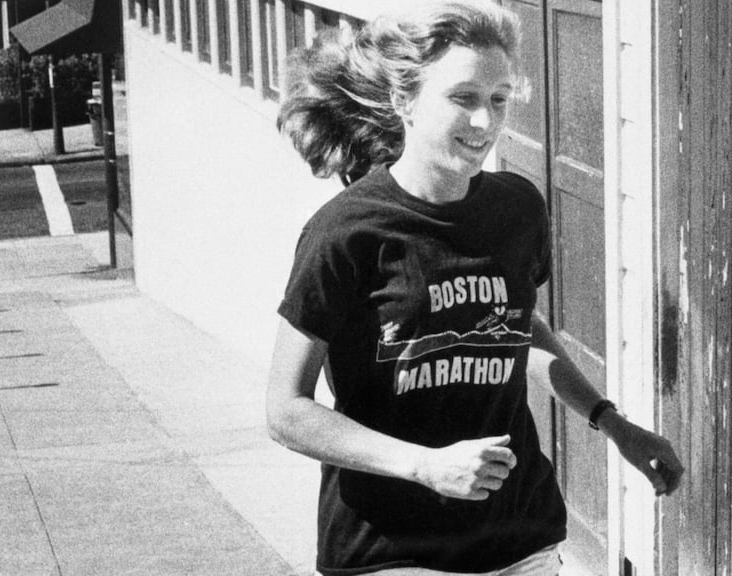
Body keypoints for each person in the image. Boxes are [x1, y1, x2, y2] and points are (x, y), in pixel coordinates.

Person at [267, 2, 684, 574]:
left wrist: (612, 422)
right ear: (404, 100)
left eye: (499, 99)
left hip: (520, 540)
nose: (486, 122)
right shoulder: (346, 232)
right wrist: (424, 465)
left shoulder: (518, 209)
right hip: (393, 549)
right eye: (462, 98)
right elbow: (286, 410)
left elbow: (514, 327)